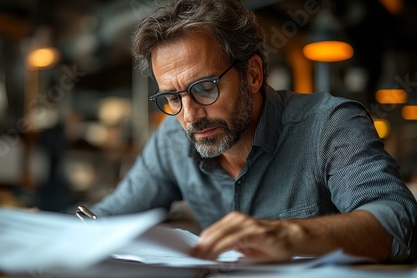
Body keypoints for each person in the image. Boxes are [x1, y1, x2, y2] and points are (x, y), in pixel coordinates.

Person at [90, 0, 417, 263]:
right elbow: (105, 221)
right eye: (172, 97)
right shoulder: (172, 140)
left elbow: (397, 221)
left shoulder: (329, 125)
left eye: (204, 88)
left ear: (254, 74)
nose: (190, 115)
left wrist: (291, 235)